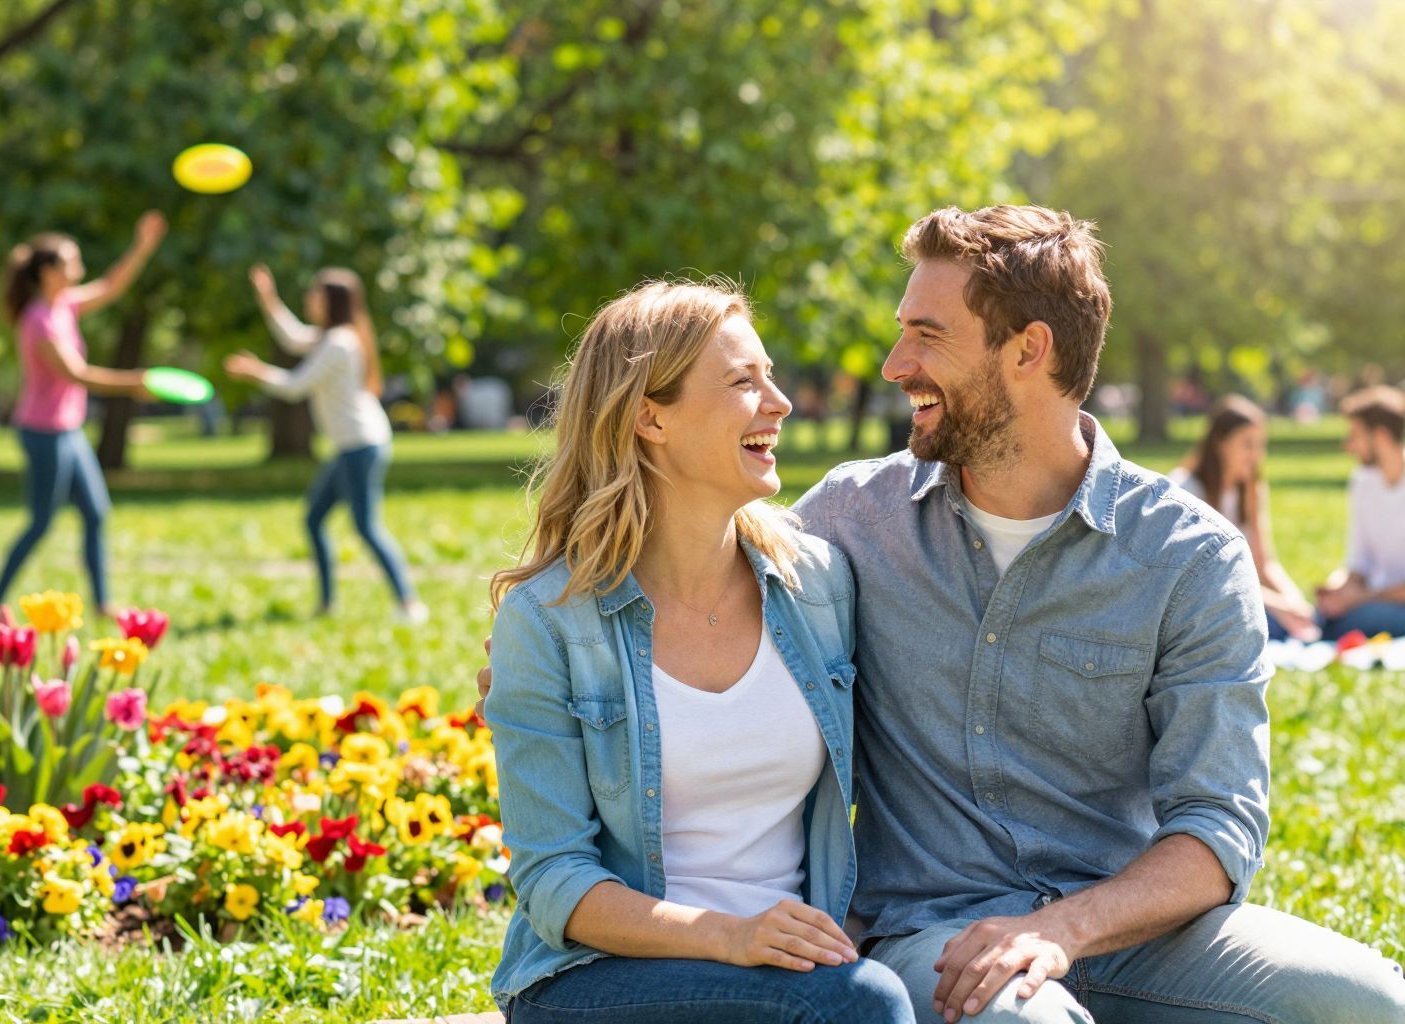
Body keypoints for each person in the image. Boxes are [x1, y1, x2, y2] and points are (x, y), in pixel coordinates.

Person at [477, 208, 1405, 1023]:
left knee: (1367, 1003)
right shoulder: (851, 523)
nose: (894, 365)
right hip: (933, 934)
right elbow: (684, 565)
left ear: (1028, 350)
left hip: (1123, 924)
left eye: (926, 334)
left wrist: (1061, 930)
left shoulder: (1188, 557)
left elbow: (1219, 824)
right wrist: (539, 660)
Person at [483, 280, 914, 1023]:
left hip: (789, 968)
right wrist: (730, 936)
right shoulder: (551, 621)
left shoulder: (818, 586)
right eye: (744, 382)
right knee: (861, 1006)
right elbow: (553, 878)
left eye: (771, 376)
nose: (779, 403)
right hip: (598, 977)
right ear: (650, 416)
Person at [0, 212, 167, 620]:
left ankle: (103, 603)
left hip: (69, 430)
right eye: (71, 262)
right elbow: (77, 374)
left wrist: (143, 246)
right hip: (42, 432)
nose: (79, 269)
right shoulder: (38, 321)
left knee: (96, 513)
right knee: (40, 523)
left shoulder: (63, 305)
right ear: (48, 272)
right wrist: (135, 383)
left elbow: (111, 286)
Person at [225, 265, 426, 622]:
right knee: (315, 518)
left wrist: (255, 372)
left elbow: (294, 385)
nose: (309, 298)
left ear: (331, 301)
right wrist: (268, 299)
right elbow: (291, 336)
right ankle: (327, 603)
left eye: (316, 293)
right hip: (351, 445)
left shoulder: (338, 343)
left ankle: (409, 602)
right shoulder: (329, 337)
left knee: (366, 526)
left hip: (361, 445)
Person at [1167, 395, 1319, 641]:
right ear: (1220, 443)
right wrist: (1276, 604)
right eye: (1247, 444)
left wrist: (1294, 601)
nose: (1256, 455)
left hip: (1248, 597)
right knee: (1263, 621)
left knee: (1305, 619)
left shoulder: (1251, 489)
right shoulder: (1185, 489)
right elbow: (1207, 580)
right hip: (1203, 603)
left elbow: (1265, 563)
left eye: (1261, 445)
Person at [1315, 385, 1405, 641]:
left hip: (1389, 605)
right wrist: (1338, 589)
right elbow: (1359, 564)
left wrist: (1361, 598)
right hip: (1374, 601)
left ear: (1381, 436)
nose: (1348, 445)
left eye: (1355, 435)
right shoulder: (1363, 482)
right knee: (1324, 616)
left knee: (1357, 620)